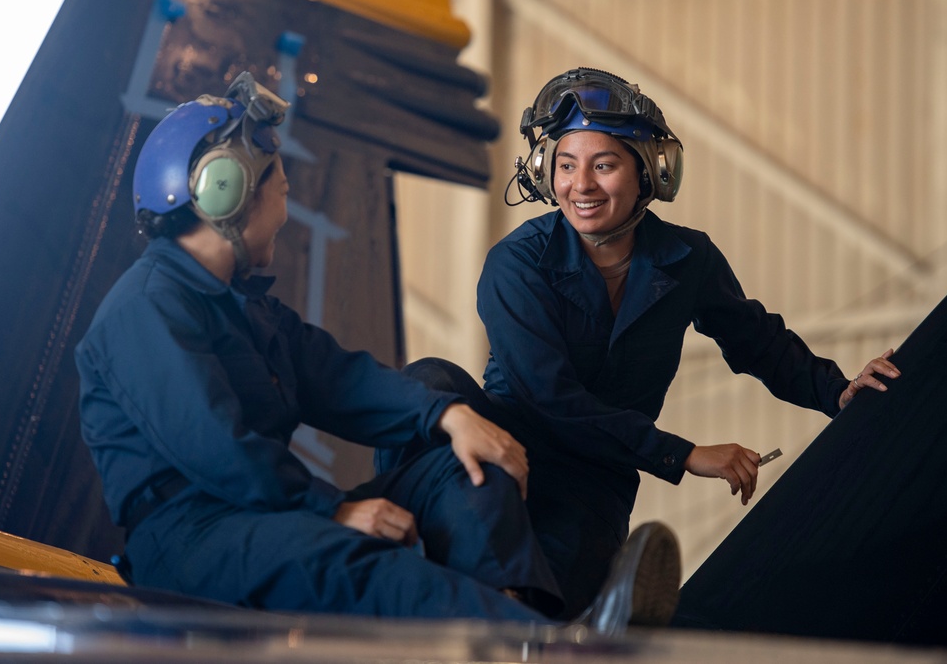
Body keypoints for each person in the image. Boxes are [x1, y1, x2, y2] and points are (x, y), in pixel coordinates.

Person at [74, 72, 667, 632]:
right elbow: (217, 447)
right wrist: (326, 511)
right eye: (276, 182)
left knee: (459, 466)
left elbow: (337, 378)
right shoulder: (145, 309)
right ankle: (559, 651)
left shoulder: (241, 306)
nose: (285, 196)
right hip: (193, 537)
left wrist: (447, 416)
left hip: (264, 516)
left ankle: (530, 624)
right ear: (224, 192)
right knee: (359, 562)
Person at [376, 67, 900, 619]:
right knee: (431, 382)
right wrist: (684, 455)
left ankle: (542, 608)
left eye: (604, 165)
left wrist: (838, 391)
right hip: (500, 462)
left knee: (558, 614)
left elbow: (758, 343)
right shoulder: (516, 263)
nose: (581, 185)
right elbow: (546, 395)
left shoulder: (689, 259)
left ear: (649, 171)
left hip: (594, 483)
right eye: (565, 165)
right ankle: (407, 550)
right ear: (542, 172)